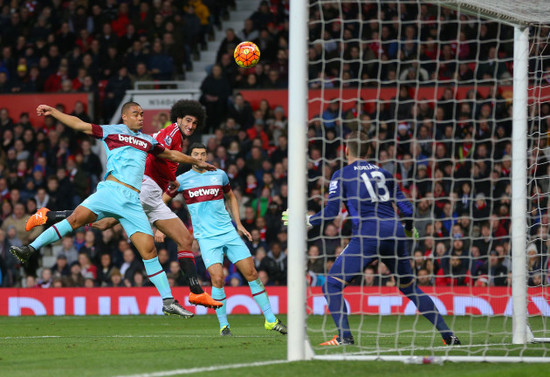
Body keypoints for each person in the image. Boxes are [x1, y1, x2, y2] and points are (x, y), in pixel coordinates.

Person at [11, 102, 216, 318]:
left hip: (132, 202)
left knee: (149, 251)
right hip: (110, 191)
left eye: (142, 114)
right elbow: (80, 125)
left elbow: (171, 156)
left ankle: (168, 301)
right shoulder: (112, 132)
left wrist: (194, 162)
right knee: (76, 221)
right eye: (136, 114)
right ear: (125, 117)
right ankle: (30, 249)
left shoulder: (147, 141)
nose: (140, 117)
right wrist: (54, 112)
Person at [284, 131, 460, 346]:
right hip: (395, 232)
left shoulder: (342, 174)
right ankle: (448, 335)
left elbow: (331, 212)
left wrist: (308, 220)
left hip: (368, 233)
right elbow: (407, 209)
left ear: (347, 150)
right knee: (409, 287)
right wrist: (408, 228)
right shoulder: (385, 174)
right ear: (368, 152)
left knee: (332, 285)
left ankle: (344, 336)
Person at [164, 142, 287, 336]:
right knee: (218, 278)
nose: (200, 158)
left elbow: (231, 197)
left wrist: (238, 224)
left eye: (203, 154)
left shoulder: (219, 174)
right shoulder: (183, 180)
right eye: (195, 154)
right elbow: (163, 201)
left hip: (228, 233)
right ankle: (224, 326)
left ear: (207, 156)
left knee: (252, 273)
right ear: (190, 157)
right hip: (206, 238)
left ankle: (271, 320)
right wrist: (162, 226)